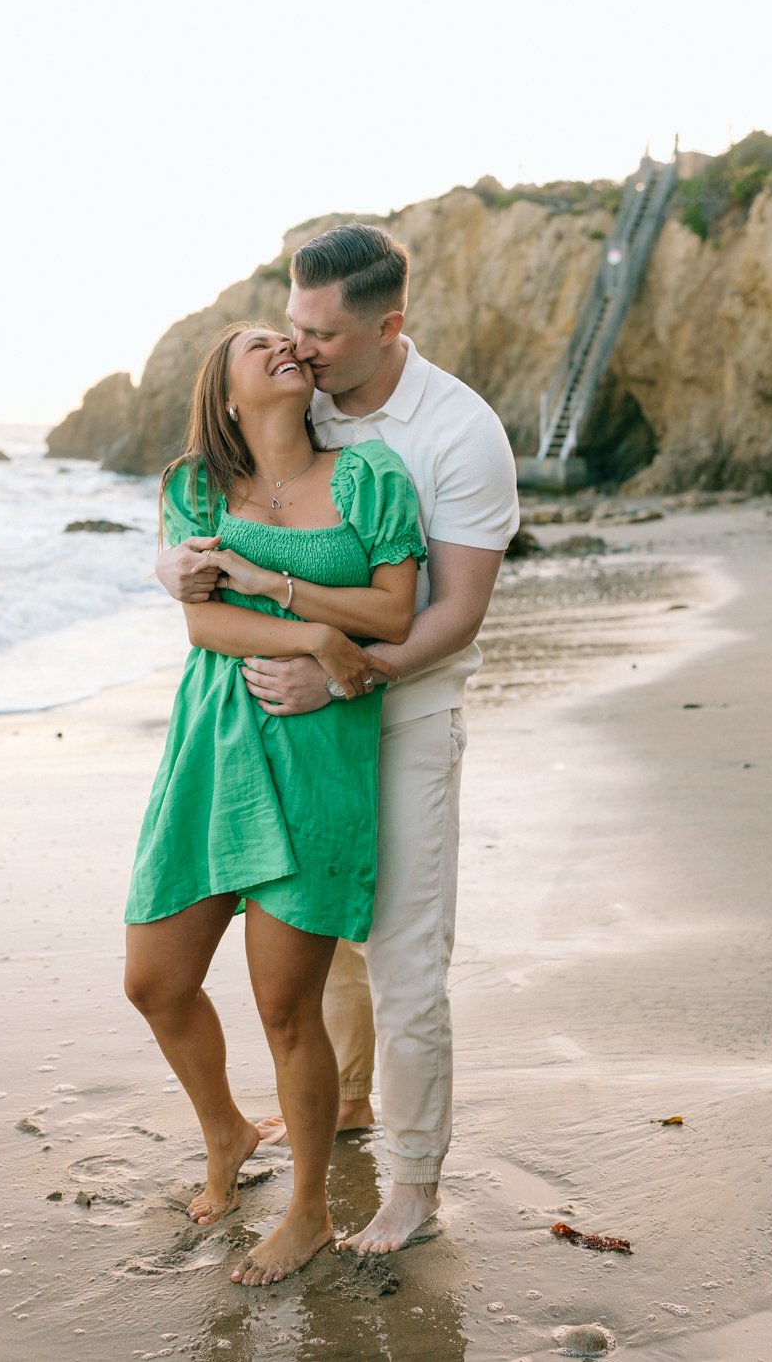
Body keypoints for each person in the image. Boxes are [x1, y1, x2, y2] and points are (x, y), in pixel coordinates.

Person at [155, 225, 520, 1254]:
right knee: (331, 950)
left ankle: (410, 1187)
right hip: (283, 713)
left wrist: (342, 671)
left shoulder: (458, 431)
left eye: (322, 334)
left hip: (403, 713)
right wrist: (173, 572)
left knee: (403, 953)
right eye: (292, 325)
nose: (300, 350)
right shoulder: (295, 391)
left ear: (387, 327)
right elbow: (223, 504)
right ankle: (343, 1105)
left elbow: (453, 612)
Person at [124, 318, 426, 1286]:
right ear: (225, 392)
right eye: (260, 343)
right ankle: (223, 1131)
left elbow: (393, 611)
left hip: (317, 759)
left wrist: (281, 592)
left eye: (288, 337)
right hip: (212, 750)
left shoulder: (369, 478)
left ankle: (307, 1211)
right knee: (154, 978)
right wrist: (309, 645)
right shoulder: (193, 488)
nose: (284, 346)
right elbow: (203, 619)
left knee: (285, 1006)